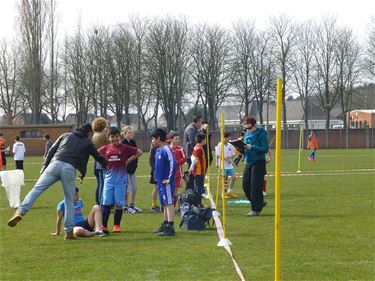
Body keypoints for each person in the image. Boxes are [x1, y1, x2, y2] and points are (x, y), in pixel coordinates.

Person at [7, 123, 107, 240]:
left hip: (54, 164)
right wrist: (109, 165)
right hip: (69, 168)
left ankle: (20, 211)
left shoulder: (65, 135)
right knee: (69, 200)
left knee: (36, 189)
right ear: (89, 133)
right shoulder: (87, 142)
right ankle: (69, 232)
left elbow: (51, 151)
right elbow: (98, 156)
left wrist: (44, 167)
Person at [98, 127, 143, 234]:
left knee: (119, 204)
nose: (115, 139)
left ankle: (116, 226)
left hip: (121, 181)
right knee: (106, 203)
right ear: (108, 138)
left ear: (120, 136)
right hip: (108, 180)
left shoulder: (125, 147)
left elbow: (140, 152)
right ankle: (104, 226)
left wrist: (128, 160)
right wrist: (104, 163)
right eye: (112, 137)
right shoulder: (105, 148)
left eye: (117, 136)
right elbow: (95, 154)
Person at [151, 128, 177, 237]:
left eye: (153, 138)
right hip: (160, 182)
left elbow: (173, 163)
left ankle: (170, 227)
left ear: (158, 138)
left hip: (166, 182)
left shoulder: (166, 149)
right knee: (164, 203)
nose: (152, 141)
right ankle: (165, 224)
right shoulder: (158, 150)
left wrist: (169, 179)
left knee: (169, 203)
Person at [242, 117, 269, 217]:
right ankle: (259, 202)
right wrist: (241, 148)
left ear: (253, 125)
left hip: (258, 163)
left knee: (255, 187)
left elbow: (265, 149)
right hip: (248, 162)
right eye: (246, 128)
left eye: (249, 128)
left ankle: (255, 210)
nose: (247, 130)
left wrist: (252, 147)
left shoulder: (262, 134)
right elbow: (245, 148)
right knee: (245, 186)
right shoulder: (247, 134)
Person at [122, 126, 142, 213]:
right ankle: (125, 206)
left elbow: (138, 153)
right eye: (129, 132)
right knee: (126, 188)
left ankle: (132, 205)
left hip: (132, 167)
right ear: (124, 133)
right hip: (125, 169)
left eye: (131, 132)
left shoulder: (133, 142)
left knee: (134, 187)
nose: (131, 134)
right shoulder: (123, 143)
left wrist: (130, 159)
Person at [91, 117, 110, 205]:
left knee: (99, 184)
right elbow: (109, 144)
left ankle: (98, 202)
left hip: (97, 161)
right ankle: (102, 204)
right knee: (103, 184)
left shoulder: (94, 135)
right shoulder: (102, 135)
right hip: (103, 160)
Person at [215, 132, 238, 198]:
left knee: (234, 177)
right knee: (224, 179)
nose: (228, 139)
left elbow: (233, 154)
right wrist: (218, 162)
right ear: (223, 138)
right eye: (227, 138)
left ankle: (229, 191)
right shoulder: (220, 145)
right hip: (222, 165)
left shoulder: (230, 145)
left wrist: (231, 159)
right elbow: (218, 155)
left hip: (229, 165)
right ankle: (223, 193)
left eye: (229, 137)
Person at [183, 115, 202, 189]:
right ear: (198, 121)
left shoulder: (193, 128)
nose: (201, 123)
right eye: (200, 121)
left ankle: (190, 188)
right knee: (191, 171)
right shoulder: (191, 129)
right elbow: (193, 142)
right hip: (190, 154)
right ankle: (188, 189)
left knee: (192, 171)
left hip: (191, 153)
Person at [169, 131, 186, 206]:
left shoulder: (180, 149)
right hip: (168, 174)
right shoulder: (168, 149)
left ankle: (173, 206)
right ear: (171, 139)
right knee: (169, 191)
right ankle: (167, 205)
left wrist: (176, 163)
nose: (177, 140)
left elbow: (184, 158)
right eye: (176, 139)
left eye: (178, 139)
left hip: (178, 174)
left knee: (175, 191)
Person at [149, 143, 161, 212]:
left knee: (162, 188)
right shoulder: (154, 149)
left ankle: (163, 205)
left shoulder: (163, 148)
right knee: (156, 187)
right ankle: (153, 205)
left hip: (163, 171)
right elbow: (151, 161)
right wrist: (155, 169)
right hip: (156, 172)